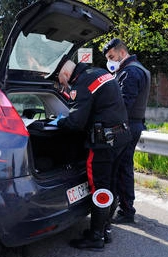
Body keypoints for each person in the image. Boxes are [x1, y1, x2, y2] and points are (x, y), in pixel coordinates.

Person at [48, 58, 132, 251]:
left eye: (61, 81)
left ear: (66, 74)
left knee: (100, 187)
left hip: (104, 143)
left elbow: (76, 122)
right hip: (121, 138)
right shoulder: (98, 73)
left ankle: (96, 237)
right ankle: (105, 230)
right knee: (110, 184)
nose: (64, 85)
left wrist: (56, 122)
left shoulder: (83, 83)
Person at [102, 38, 151, 224]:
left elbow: (123, 104)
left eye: (111, 56)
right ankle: (125, 207)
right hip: (134, 125)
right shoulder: (139, 69)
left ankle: (126, 211)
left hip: (127, 126)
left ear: (122, 52)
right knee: (125, 166)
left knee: (122, 168)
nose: (110, 61)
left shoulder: (130, 72)